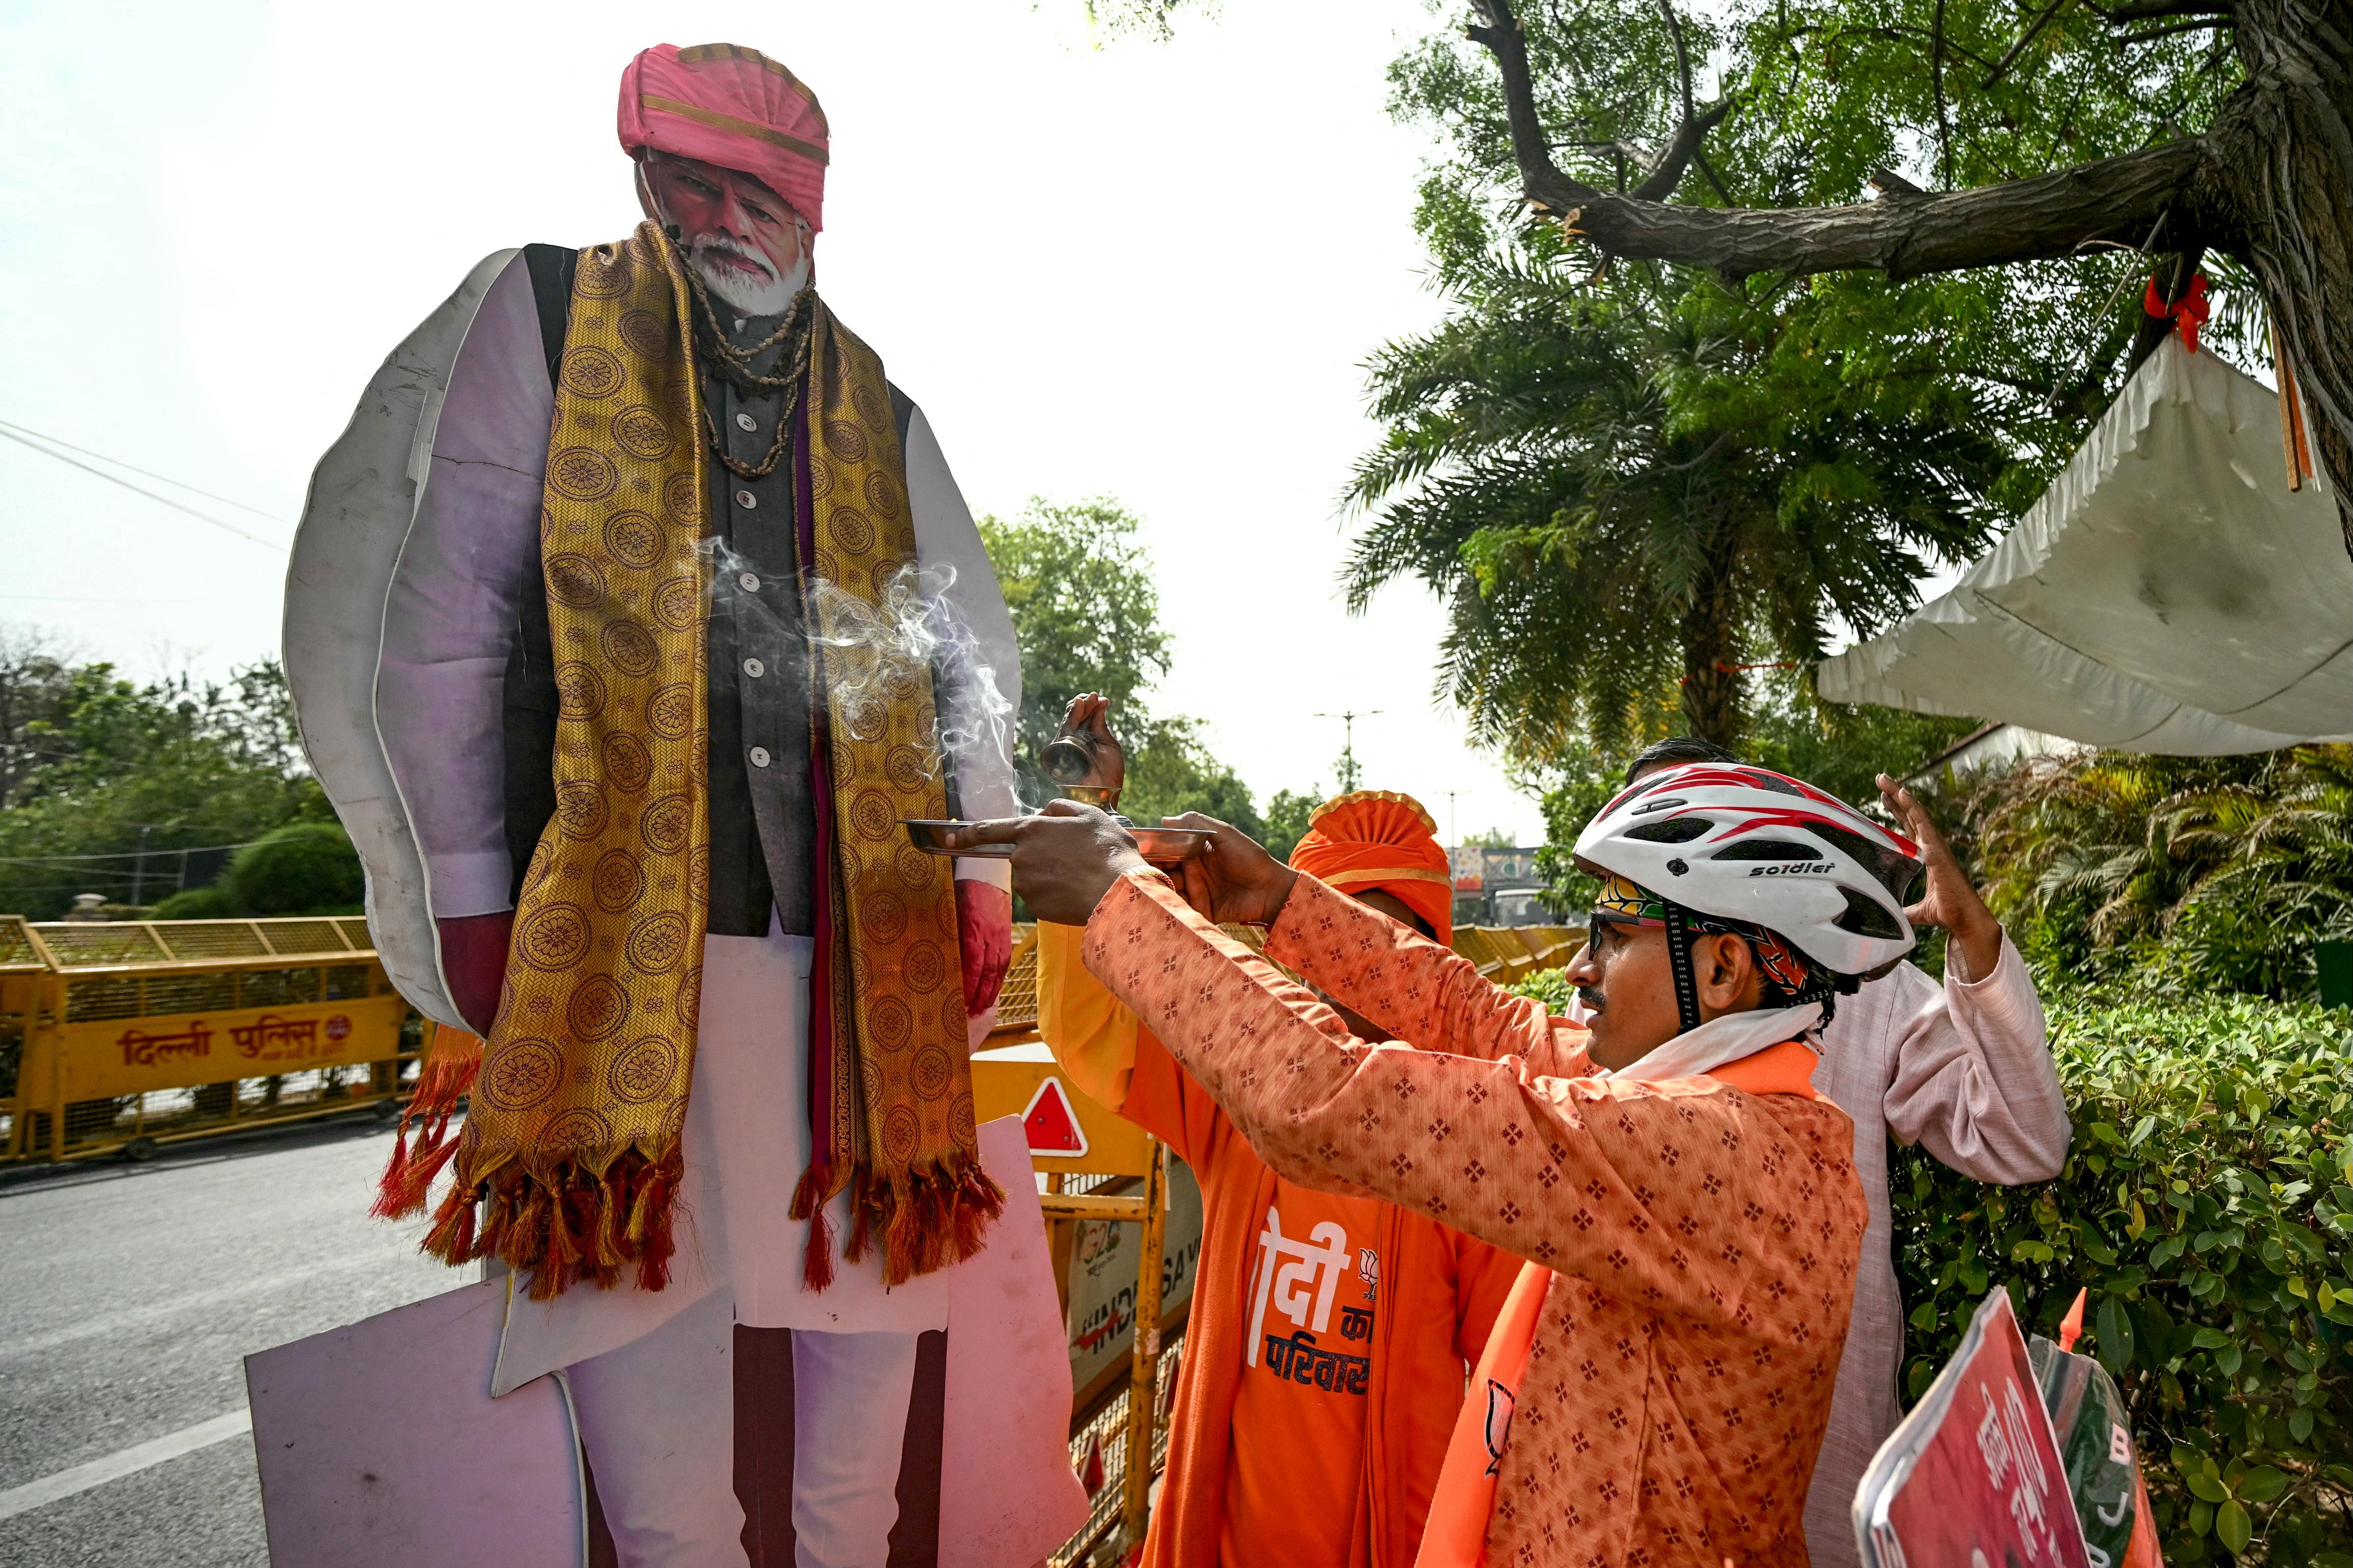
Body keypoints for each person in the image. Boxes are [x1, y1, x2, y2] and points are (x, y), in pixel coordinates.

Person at [286, 43, 1022, 1567]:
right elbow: (445, 622)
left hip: (853, 985)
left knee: (855, 1467)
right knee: (664, 1472)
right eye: (689, 181)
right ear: (640, 174)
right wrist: (472, 897)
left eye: (757, 192)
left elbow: (965, 655)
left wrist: (986, 876)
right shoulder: (549, 317)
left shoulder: (877, 403)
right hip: (621, 955)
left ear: (813, 215)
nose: (720, 218)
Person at [976, 761, 1926, 1566]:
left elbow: (1328, 1098)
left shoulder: (1707, 1145)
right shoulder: (1731, 1113)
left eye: (1613, 935)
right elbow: (1488, 1021)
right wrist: (1285, 904)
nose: (1578, 970)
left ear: (1721, 971)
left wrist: (1119, 897)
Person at [1032, 696, 1520, 1566]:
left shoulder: (1476, 1151)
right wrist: (1095, 815)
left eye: (1383, 950)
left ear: (1427, 960)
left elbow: (1506, 1402)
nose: (1354, 982)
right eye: (1331, 947)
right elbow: (1101, 1030)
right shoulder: (1243, 1095)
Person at [1600, 739, 2069, 1563]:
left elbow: (2022, 1139)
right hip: (1642, 1461)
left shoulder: (1856, 985)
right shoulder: (1609, 999)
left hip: (1819, 1445)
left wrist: (1977, 939)